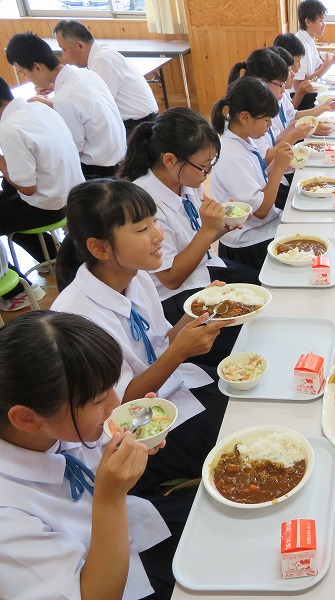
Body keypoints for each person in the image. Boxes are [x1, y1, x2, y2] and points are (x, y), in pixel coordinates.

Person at [52, 179, 230, 497]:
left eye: (154, 222)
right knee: (232, 434)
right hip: (137, 434)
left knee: (241, 398)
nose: (158, 235)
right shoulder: (77, 319)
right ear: (100, 248)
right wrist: (179, 352)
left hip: (171, 392)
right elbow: (118, 407)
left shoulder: (137, 277)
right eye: (142, 229)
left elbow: (160, 341)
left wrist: (199, 310)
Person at [0, 310, 189, 599]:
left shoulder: (53, 430)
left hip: (132, 526)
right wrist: (109, 498)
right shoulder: (8, 521)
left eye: (112, 387)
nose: (115, 404)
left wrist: (133, 443)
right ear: (27, 419)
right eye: (99, 399)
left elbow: (96, 453)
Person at [118, 107, 260, 326]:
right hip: (173, 297)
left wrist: (221, 227)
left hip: (201, 271)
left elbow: (195, 240)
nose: (207, 174)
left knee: (260, 287)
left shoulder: (186, 183)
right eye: (203, 166)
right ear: (170, 160)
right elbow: (171, 279)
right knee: (248, 322)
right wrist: (208, 230)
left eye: (211, 164)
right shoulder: (144, 203)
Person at [0, 76, 83, 310]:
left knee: (8, 201)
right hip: (72, 196)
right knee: (6, 198)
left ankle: (18, 291)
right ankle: (50, 255)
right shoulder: (38, 107)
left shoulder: (10, 128)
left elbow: (27, 187)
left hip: (49, 207)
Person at [5, 32, 126, 179]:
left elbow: (74, 150)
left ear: (37, 67)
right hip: (120, 159)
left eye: (23, 73)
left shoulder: (65, 98)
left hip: (98, 171)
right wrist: (54, 97)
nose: (28, 78)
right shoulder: (86, 75)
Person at [227, 47, 335, 209]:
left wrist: (294, 128)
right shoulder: (243, 134)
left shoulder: (254, 115)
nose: (284, 90)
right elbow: (261, 210)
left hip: (272, 183)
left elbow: (274, 144)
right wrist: (281, 160)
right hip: (267, 204)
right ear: (263, 81)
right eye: (281, 84)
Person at [209, 77, 293, 270]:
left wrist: (278, 164)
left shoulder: (242, 137)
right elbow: (261, 211)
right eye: (266, 120)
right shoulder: (231, 154)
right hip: (249, 242)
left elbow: (258, 177)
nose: (270, 125)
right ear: (245, 117)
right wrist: (278, 168)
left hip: (262, 230)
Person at [53, 20, 159, 136]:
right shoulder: (99, 55)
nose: (64, 56)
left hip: (139, 127)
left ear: (80, 45)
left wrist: (53, 103)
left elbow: (95, 107)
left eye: (64, 49)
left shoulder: (102, 60)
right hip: (137, 123)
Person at [293, 0, 335, 111]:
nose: (324, 25)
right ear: (308, 22)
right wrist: (325, 67)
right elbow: (298, 86)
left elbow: (318, 69)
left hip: (309, 95)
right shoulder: (299, 44)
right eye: (320, 20)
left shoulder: (309, 40)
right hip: (300, 101)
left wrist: (333, 60)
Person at [274, 32, 316, 110]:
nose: (299, 66)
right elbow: (290, 113)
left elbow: (290, 112)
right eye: (298, 61)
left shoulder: (283, 85)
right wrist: (300, 92)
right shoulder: (277, 87)